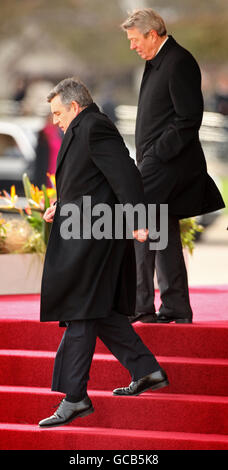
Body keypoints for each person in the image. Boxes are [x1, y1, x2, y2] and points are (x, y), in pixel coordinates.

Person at [38, 77, 169, 428]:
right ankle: (147, 370)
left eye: (57, 113)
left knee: (81, 311)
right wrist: (60, 205)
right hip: (83, 231)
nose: (55, 120)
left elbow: (125, 174)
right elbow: (88, 180)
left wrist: (140, 220)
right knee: (101, 312)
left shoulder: (95, 126)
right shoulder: (82, 128)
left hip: (96, 237)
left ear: (75, 107)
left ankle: (75, 397)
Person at [121, 9, 225, 324]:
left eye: (135, 39)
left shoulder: (179, 61)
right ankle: (175, 307)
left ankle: (139, 306)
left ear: (152, 34)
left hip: (166, 165)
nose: (132, 46)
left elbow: (188, 117)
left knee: (136, 226)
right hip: (158, 163)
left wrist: (155, 155)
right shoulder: (158, 63)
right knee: (161, 234)